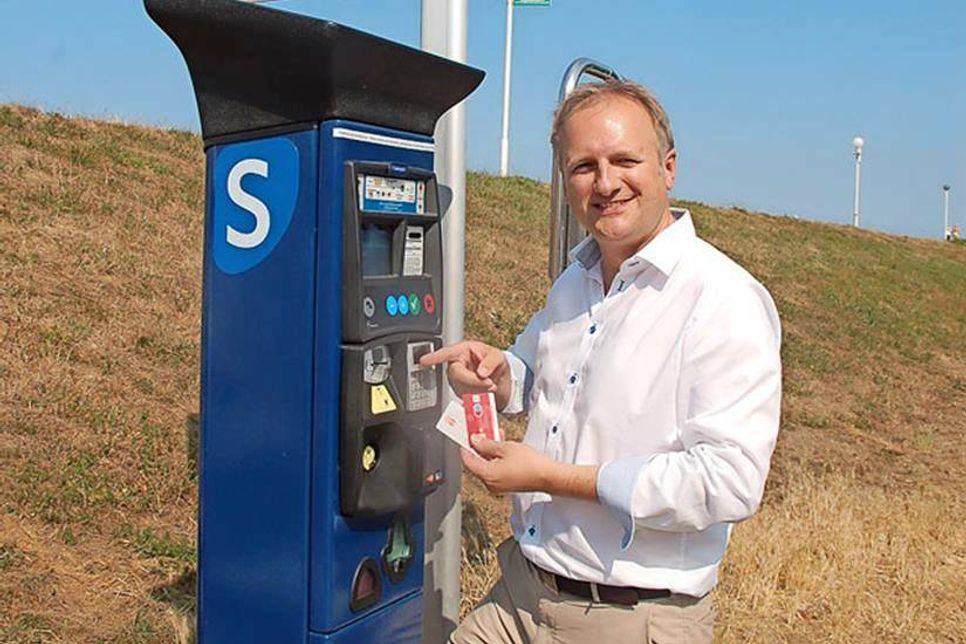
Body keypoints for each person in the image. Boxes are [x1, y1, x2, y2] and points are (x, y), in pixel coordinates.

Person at [421, 80, 782, 644]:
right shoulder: (576, 280)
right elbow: (537, 373)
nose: (606, 182)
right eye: (583, 165)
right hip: (522, 595)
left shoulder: (723, 298)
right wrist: (497, 376)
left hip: (630, 618)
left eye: (624, 160)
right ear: (564, 180)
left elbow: (727, 480)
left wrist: (554, 479)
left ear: (668, 167)